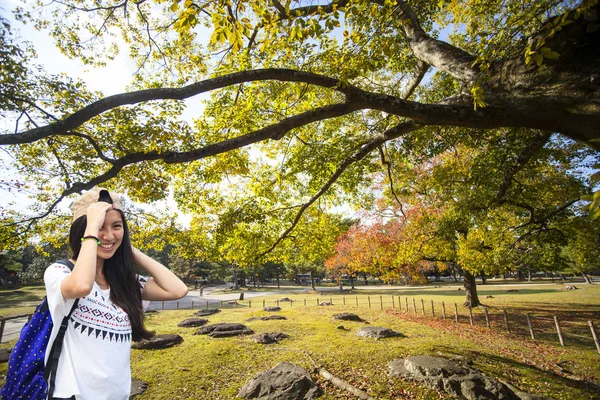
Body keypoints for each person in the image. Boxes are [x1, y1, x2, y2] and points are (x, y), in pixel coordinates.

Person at [44, 187, 188, 400]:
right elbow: (82, 286)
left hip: (116, 394)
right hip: (72, 394)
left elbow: (177, 289)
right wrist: (92, 225)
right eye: (100, 226)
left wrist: (127, 248)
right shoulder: (61, 272)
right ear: (83, 231)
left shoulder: (125, 283)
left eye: (116, 226)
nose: (108, 235)